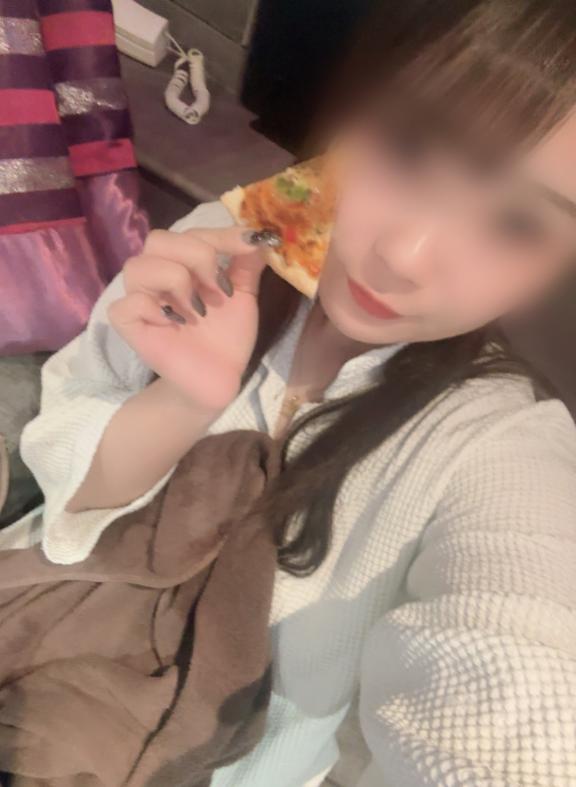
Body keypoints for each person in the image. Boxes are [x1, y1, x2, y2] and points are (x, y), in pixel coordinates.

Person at [11, 1, 576, 784]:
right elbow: (60, 493)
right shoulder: (219, 243)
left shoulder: (501, 440)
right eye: (409, 146)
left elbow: (519, 672)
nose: (405, 254)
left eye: (516, 224)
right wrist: (183, 403)